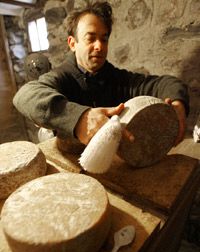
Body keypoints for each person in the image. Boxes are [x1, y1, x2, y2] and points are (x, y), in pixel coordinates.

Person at [13, 1, 189, 147]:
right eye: (91, 38)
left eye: (104, 39)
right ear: (72, 44)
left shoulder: (117, 78)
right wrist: (79, 118)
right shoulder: (61, 77)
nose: (99, 46)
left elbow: (166, 83)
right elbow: (25, 95)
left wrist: (177, 102)